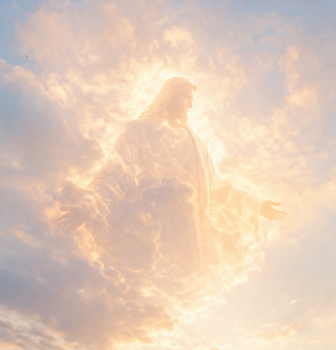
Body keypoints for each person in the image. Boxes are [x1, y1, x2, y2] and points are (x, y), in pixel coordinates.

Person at [57, 77, 285, 274]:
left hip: (189, 238)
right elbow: (115, 172)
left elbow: (217, 186)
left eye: (192, 101)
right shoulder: (137, 130)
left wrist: (254, 204)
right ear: (170, 96)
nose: (190, 106)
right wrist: (89, 205)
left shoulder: (196, 143)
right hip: (146, 232)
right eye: (187, 98)